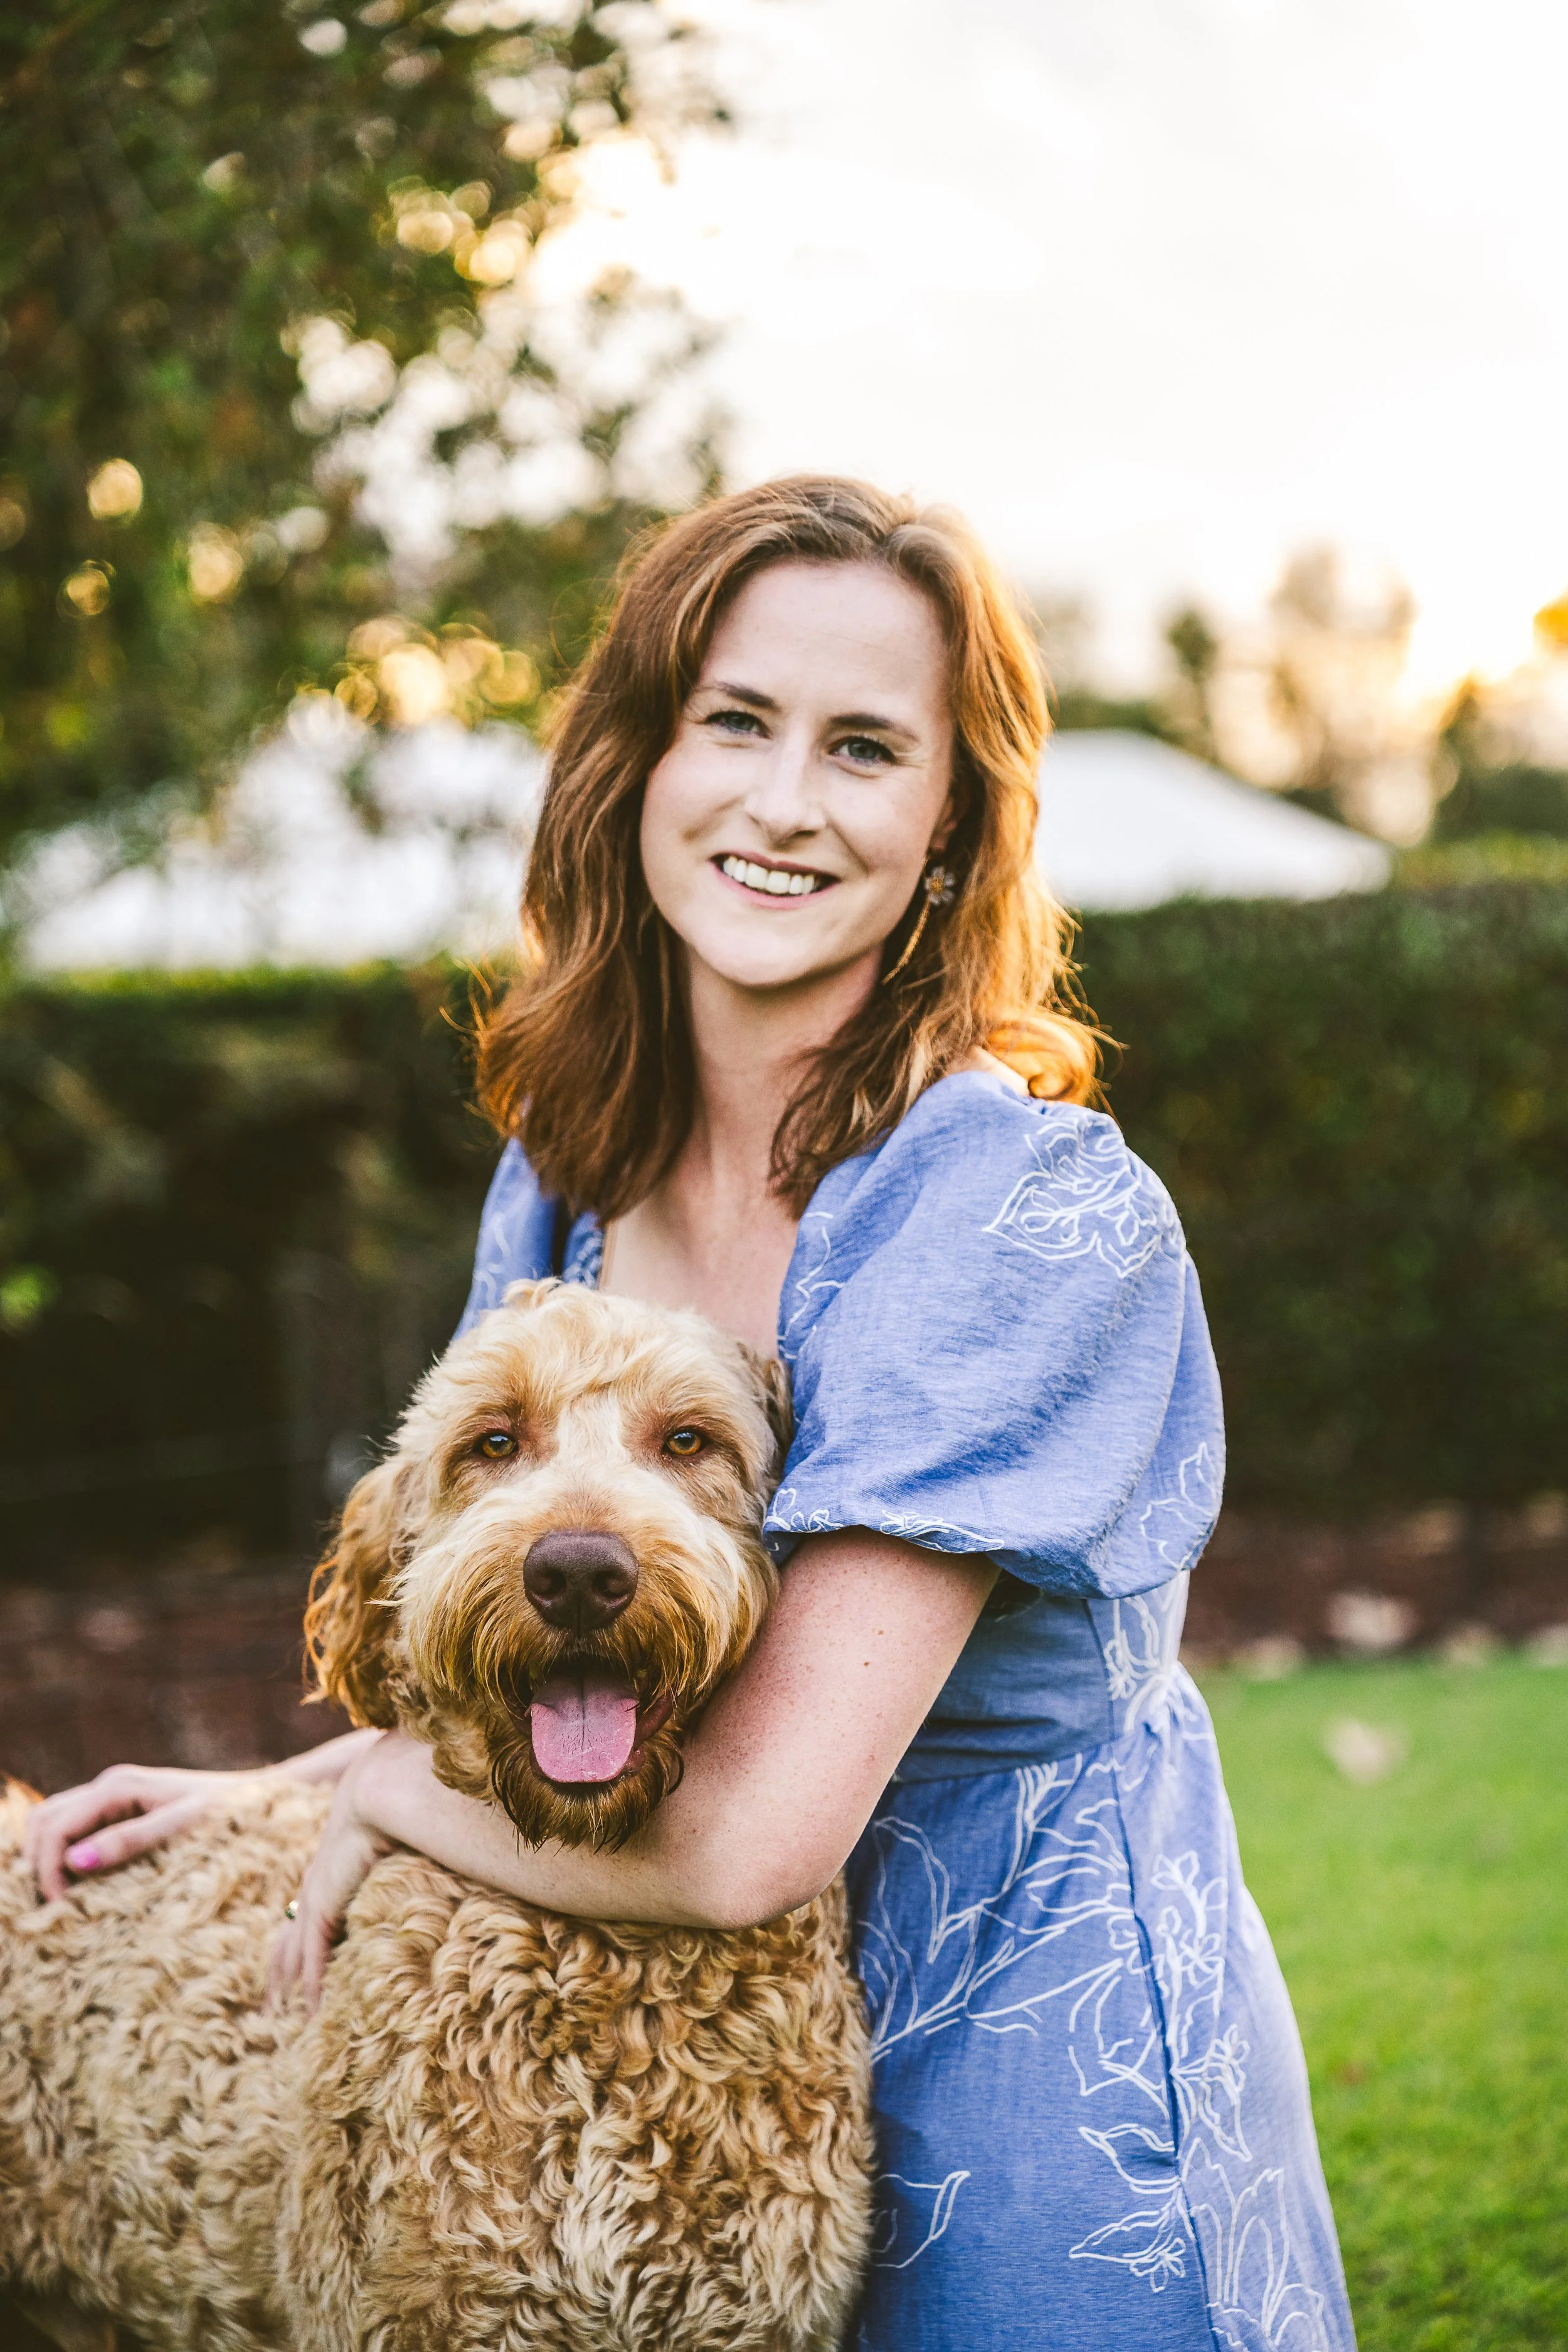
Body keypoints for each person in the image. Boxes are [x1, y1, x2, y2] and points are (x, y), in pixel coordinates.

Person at [28, 477, 1355, 2351]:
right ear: (630, 763)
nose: (784, 799)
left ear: (952, 825)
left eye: (866, 746)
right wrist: (280, 1784)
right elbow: (555, 1630)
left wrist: (396, 1790)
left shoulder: (1022, 1213)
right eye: (731, 720)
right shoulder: (573, 1170)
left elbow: (747, 1838)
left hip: (1009, 2036)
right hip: (665, 2023)